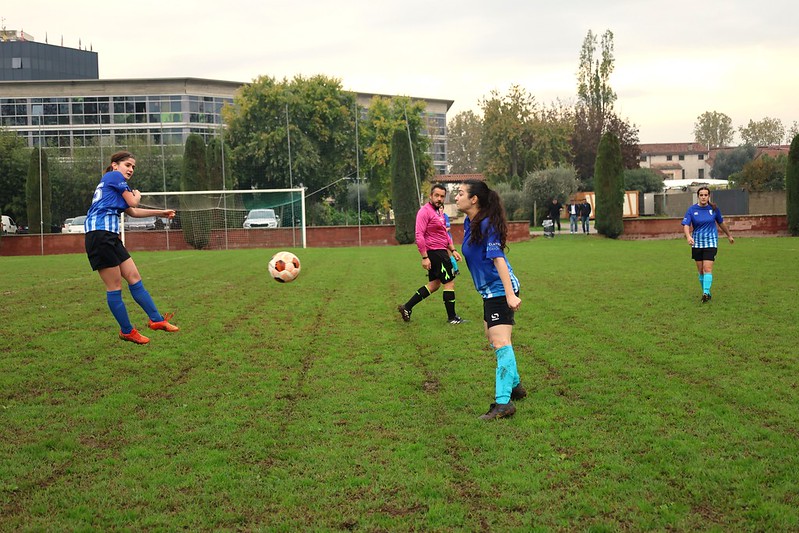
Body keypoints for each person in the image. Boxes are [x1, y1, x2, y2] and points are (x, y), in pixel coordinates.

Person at [84, 151, 180, 344]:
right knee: (114, 287)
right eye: (127, 165)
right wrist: (137, 194)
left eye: (133, 167)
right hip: (99, 235)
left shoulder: (113, 186)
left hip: (110, 236)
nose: (131, 169)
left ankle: (156, 320)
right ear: (114, 165)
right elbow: (133, 201)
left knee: (134, 277)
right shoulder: (113, 176)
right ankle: (127, 331)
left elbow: (133, 211)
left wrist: (161, 212)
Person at [455, 180, 526, 420]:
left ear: (474, 199)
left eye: (461, 193)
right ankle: (515, 385)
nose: (457, 197)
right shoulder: (471, 222)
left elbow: (499, 260)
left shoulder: (487, 225)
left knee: (500, 342)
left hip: (500, 290)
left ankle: (503, 403)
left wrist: (510, 294)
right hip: (489, 292)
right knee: (492, 338)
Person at [398, 183, 464, 324]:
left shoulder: (439, 212)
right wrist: (424, 257)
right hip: (436, 252)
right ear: (430, 196)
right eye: (436, 195)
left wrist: (453, 250)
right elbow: (419, 235)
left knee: (434, 284)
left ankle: (407, 307)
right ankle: (452, 318)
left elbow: (444, 234)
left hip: (441, 251)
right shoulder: (424, 212)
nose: (439, 199)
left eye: (442, 196)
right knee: (449, 283)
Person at [681, 186, 734, 303]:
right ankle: (707, 293)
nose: (703, 197)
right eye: (701, 195)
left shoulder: (714, 209)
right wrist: (688, 236)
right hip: (697, 243)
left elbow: (721, 223)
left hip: (711, 242)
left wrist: (729, 235)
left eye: (706, 195)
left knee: (707, 268)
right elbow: (686, 225)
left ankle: (705, 292)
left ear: (709, 196)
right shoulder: (691, 210)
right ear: (698, 196)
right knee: (701, 271)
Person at [440, 206, 460, 276]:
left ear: (443, 209)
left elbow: (448, 227)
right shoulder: (436, 216)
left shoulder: (445, 216)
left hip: (447, 238)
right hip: (440, 238)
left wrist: (441, 232)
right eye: (439, 208)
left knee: (449, 254)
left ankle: (456, 269)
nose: (439, 209)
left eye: (441, 208)